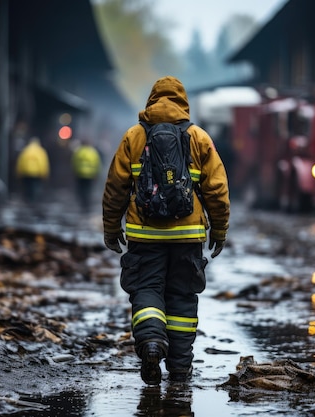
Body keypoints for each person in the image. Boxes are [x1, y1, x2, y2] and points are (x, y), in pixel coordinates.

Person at [102, 76, 230, 385]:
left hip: (144, 234)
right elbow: (217, 190)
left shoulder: (134, 136)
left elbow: (116, 187)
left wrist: (111, 227)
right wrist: (219, 231)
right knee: (182, 299)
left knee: (146, 290)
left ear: (151, 101)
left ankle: (151, 343)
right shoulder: (199, 138)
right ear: (183, 103)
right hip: (187, 237)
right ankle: (180, 368)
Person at [15, 137, 50, 203]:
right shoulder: (40, 151)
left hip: (26, 173)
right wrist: (45, 174)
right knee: (35, 188)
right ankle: (34, 201)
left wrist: (19, 172)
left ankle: (28, 200)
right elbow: (43, 163)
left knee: (27, 188)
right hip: (36, 173)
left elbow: (20, 162)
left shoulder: (25, 150)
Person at [71, 139, 102, 211]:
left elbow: (74, 162)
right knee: (88, 189)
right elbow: (98, 164)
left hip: (80, 174)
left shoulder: (78, 152)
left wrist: (74, 171)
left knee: (81, 189)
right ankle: (87, 203)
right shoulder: (93, 152)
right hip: (90, 175)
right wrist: (97, 174)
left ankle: (82, 203)